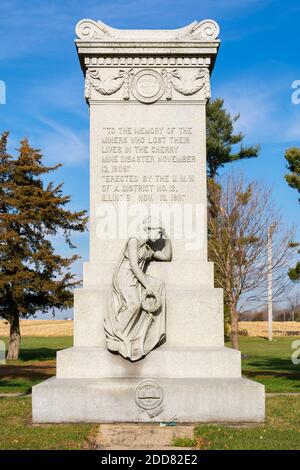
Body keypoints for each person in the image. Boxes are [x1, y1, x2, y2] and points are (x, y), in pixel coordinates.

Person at [104, 216, 172, 361]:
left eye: (161, 233)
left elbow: (166, 256)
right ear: (149, 229)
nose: (159, 236)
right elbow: (134, 266)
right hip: (125, 276)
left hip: (137, 277)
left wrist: (167, 239)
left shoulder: (147, 249)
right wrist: (147, 286)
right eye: (158, 232)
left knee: (159, 284)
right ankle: (116, 336)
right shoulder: (133, 241)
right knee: (134, 304)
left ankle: (149, 333)